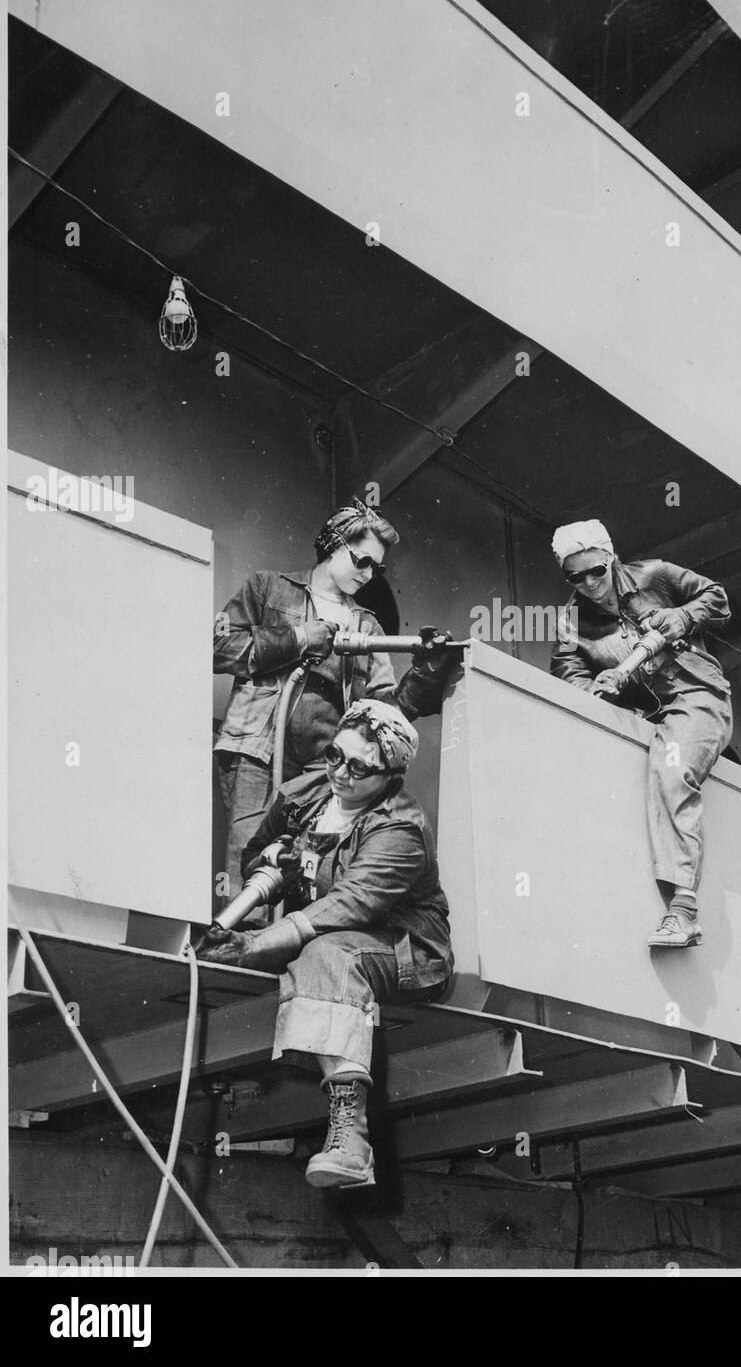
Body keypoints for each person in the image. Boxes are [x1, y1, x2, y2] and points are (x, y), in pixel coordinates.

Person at [197, 699, 453, 1190]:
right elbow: (255, 851)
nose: (341, 773)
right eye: (336, 755)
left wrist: (254, 946)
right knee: (315, 952)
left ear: (389, 774)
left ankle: (352, 1144)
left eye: (359, 767)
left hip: (404, 948)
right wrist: (272, 860)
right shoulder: (308, 792)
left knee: (325, 954)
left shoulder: (400, 828)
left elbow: (351, 905)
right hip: (323, 936)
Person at [213, 498, 455, 891]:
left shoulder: (368, 626)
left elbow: (385, 710)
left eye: (377, 568)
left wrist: (427, 671)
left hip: (326, 764)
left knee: (308, 871)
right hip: (257, 749)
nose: (368, 574)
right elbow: (217, 647)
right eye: (361, 560)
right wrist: (298, 637)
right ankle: (235, 948)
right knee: (250, 859)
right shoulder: (268, 588)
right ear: (333, 542)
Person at [549, 519, 732, 949]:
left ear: (610, 557)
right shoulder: (569, 621)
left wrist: (682, 616)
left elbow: (717, 597)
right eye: (575, 576)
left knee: (672, 771)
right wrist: (596, 688)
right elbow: (567, 672)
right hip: (638, 719)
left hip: (695, 697)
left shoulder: (655, 575)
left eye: (596, 570)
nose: (589, 583)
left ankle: (683, 910)